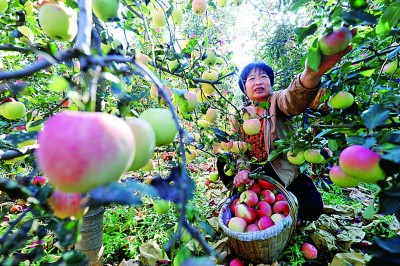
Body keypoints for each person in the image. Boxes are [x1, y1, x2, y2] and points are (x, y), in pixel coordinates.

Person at [217, 41, 354, 222]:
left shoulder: (277, 101)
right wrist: (243, 169)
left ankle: (278, 201)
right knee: (223, 160)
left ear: (271, 83)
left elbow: (293, 99)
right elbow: (239, 150)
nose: (258, 82)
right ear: (244, 88)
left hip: (281, 171)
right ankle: (246, 197)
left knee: (312, 207)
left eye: (263, 77)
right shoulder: (237, 116)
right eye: (251, 79)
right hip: (254, 172)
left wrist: (311, 75)